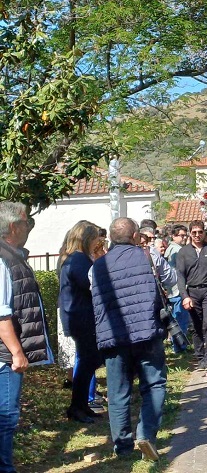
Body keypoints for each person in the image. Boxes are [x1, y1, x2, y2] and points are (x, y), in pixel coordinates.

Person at [89, 217, 166, 461]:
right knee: (153, 385)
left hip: (113, 338)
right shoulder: (149, 256)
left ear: (111, 238)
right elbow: (171, 281)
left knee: (118, 392)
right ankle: (146, 435)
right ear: (135, 236)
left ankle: (122, 447)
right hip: (146, 333)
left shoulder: (96, 266)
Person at [0, 202, 52, 472]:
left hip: (6, 352)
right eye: (26, 222)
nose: (29, 227)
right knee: (6, 415)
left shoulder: (13, 255)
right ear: (13, 227)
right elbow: (1, 314)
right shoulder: (2, 258)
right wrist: (17, 352)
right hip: (4, 356)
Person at [58, 221, 104, 423]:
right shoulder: (78, 260)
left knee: (88, 362)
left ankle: (82, 405)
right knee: (87, 363)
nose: (98, 242)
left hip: (80, 317)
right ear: (86, 239)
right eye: (95, 238)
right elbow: (90, 285)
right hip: (81, 318)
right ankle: (77, 407)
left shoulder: (77, 258)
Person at [175, 220, 207, 372]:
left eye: (200, 232)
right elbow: (180, 276)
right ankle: (200, 357)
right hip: (192, 293)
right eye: (194, 232)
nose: (197, 235)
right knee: (195, 326)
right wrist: (184, 296)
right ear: (190, 234)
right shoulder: (183, 252)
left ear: (204, 233)